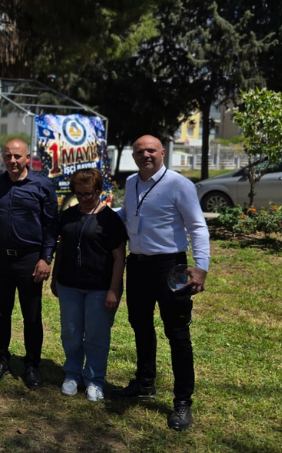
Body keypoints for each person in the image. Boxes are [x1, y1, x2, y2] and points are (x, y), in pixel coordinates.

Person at [113, 135, 210, 431]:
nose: (145, 155)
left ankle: (182, 401)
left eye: (151, 150)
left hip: (171, 267)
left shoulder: (179, 184)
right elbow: (128, 214)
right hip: (138, 266)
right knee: (140, 325)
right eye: (139, 151)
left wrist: (201, 268)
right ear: (133, 155)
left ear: (163, 153)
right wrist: (98, 215)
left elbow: (197, 226)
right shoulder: (131, 183)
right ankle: (145, 383)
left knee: (177, 333)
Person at [0, 138, 58, 387]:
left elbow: (51, 225)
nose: (12, 160)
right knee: (1, 313)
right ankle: (1, 360)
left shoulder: (42, 185)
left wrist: (46, 258)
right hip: (1, 258)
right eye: (8, 156)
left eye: (17, 156)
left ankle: (31, 366)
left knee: (31, 315)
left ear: (27, 158)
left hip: (30, 259)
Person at [50, 168, 126, 401]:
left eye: (89, 193)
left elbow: (119, 257)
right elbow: (61, 249)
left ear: (99, 191)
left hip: (100, 287)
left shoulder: (110, 219)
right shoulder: (67, 216)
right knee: (71, 332)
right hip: (69, 285)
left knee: (96, 336)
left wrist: (113, 289)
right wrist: (54, 278)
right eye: (79, 194)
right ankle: (72, 374)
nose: (84, 198)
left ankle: (94, 380)